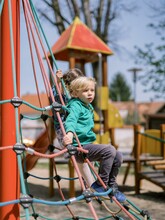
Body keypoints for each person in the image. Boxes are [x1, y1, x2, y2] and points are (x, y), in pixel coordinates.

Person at [63, 76, 126, 203]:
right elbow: (71, 120)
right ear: (75, 93)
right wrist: (69, 134)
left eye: (92, 90)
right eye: (85, 91)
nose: (90, 93)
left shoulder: (88, 107)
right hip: (79, 149)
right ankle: (99, 184)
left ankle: (111, 185)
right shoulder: (76, 105)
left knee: (118, 155)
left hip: (87, 146)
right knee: (109, 150)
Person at [52, 68, 95, 186]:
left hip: (77, 131)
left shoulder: (80, 101)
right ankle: (90, 184)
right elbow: (56, 95)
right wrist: (58, 81)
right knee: (79, 157)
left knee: (88, 158)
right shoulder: (65, 96)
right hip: (65, 130)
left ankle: (92, 182)